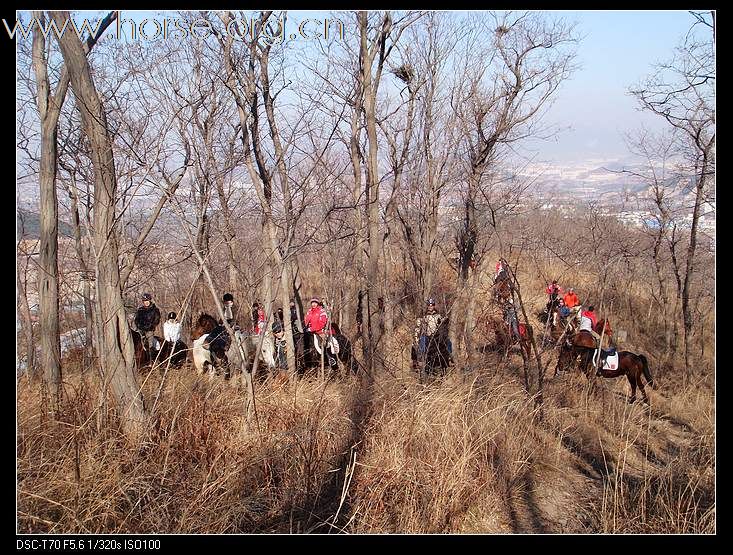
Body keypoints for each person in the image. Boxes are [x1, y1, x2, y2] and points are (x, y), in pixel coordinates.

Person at [414, 298, 453, 367]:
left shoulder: (438, 315)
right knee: (422, 340)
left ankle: (449, 357)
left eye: (432, 305)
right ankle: (421, 359)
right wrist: (416, 337)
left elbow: (441, 324)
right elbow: (418, 327)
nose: (430, 307)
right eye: (429, 305)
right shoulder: (423, 316)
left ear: (434, 306)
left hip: (436, 336)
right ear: (427, 306)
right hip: (427, 335)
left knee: (448, 341)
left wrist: (445, 320)